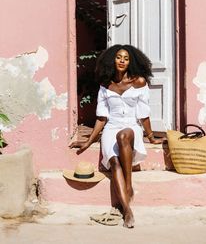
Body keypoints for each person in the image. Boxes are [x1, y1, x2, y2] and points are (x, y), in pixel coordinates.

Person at [69, 44, 166, 228]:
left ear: (131, 62)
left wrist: (151, 137)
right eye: (119, 57)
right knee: (114, 162)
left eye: (126, 58)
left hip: (131, 127)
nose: (122, 60)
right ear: (112, 60)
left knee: (123, 136)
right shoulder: (106, 85)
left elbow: (144, 114)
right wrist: (88, 142)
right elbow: (101, 117)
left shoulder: (139, 82)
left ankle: (128, 184)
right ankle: (127, 210)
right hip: (111, 127)